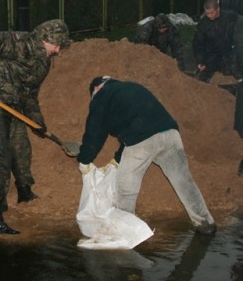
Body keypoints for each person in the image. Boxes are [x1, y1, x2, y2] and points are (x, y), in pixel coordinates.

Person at [0, 19, 71, 235]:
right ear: (45, 39)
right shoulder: (21, 43)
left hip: (14, 105)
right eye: (56, 45)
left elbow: (30, 94)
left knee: (20, 148)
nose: (58, 50)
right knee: (1, 157)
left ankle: (24, 190)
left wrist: (37, 120)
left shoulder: (43, 62)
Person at [67, 76, 216, 235]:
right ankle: (206, 224)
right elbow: (136, 121)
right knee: (184, 182)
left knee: (125, 188)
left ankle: (125, 232)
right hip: (171, 134)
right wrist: (117, 159)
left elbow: (95, 132)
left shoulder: (102, 95)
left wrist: (84, 160)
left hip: (143, 140)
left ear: (96, 89)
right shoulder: (131, 87)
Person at [192, 0, 240, 82]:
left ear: (218, 9)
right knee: (204, 80)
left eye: (211, 13)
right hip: (211, 55)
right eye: (207, 13)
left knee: (232, 78)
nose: (209, 15)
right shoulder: (203, 24)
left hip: (228, 53)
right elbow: (197, 43)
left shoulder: (230, 17)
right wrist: (200, 61)